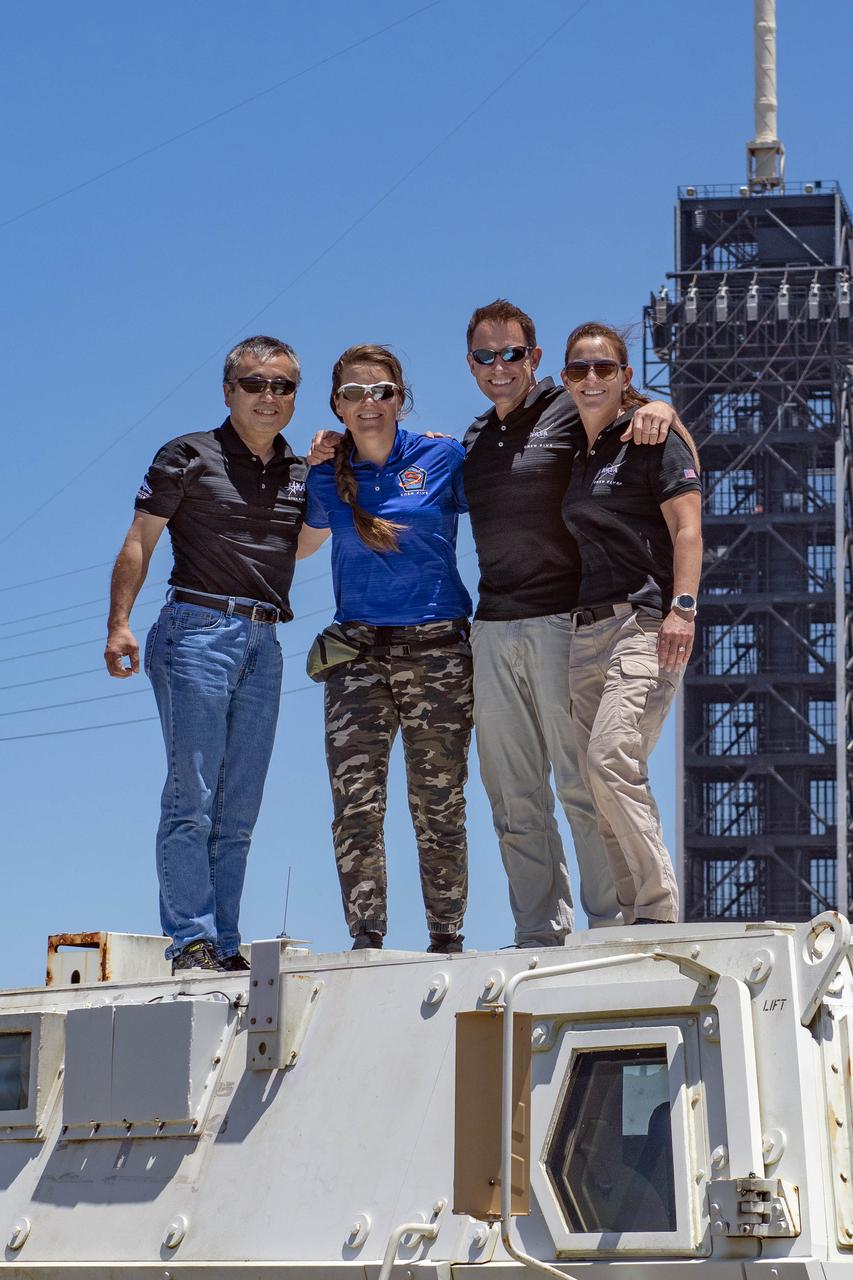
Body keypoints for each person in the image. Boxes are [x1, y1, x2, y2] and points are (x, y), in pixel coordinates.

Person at [462, 298, 682, 946]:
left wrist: (660, 408)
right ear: (470, 363)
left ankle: (607, 923)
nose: (498, 367)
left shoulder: (570, 407)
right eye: (484, 355)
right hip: (492, 626)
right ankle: (537, 932)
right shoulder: (473, 440)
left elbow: (652, 434)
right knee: (512, 797)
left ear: (535, 361)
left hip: (567, 623)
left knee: (581, 784)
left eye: (511, 354)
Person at [104, 335, 308, 973]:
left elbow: (298, 548)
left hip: (266, 641)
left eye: (282, 386)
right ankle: (189, 939)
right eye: (255, 384)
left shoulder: (301, 471)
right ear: (229, 391)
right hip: (195, 631)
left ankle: (224, 943)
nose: (269, 396)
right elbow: (140, 540)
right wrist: (119, 624)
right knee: (192, 794)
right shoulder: (186, 455)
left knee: (240, 806)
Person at [298, 344, 472, 953]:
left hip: (438, 647)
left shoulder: (443, 456)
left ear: (401, 398)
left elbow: (511, 498)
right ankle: (367, 937)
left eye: (381, 392)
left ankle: (445, 937)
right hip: (357, 654)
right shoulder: (322, 475)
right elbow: (300, 547)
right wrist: (305, 463)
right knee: (355, 804)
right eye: (353, 393)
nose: (368, 404)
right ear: (336, 406)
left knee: (438, 799)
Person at [560, 321, 702, 925]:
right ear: (565, 379)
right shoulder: (577, 448)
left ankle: (656, 910)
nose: (591, 380)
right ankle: (628, 914)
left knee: (611, 758)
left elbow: (688, 529)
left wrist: (684, 607)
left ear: (626, 378)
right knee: (597, 786)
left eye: (605, 369)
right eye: (579, 370)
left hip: (644, 624)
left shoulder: (653, 439)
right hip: (585, 631)